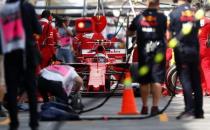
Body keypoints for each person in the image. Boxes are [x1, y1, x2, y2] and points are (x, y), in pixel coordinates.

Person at [2, 0, 42, 130]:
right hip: (27, 53)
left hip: (10, 54)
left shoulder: (4, 10)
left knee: (12, 89)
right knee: (31, 88)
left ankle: (14, 123)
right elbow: (38, 29)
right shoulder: (27, 7)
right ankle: (33, 123)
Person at [127, 0, 167, 115]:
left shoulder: (139, 17)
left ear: (147, 3)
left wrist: (137, 33)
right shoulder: (162, 17)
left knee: (144, 81)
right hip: (158, 53)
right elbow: (165, 33)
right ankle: (155, 107)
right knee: (157, 80)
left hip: (144, 53)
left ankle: (144, 107)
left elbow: (129, 32)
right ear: (158, 3)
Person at [168, 0, 204, 119]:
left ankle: (189, 110)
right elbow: (198, 32)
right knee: (196, 81)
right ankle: (199, 111)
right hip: (194, 51)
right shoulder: (195, 13)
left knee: (186, 81)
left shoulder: (174, 13)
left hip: (182, 52)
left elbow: (169, 36)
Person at [198, 4, 210, 96]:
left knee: (199, 70)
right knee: (206, 68)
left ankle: (203, 89)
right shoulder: (208, 21)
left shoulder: (194, 21)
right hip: (205, 47)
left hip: (195, 47)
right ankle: (209, 89)